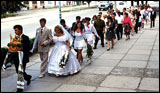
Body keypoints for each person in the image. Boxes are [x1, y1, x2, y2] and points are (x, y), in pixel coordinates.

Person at [7, 25, 32, 92]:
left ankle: (20, 88)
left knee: (20, 72)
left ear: (20, 30)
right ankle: (28, 77)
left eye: (16, 30)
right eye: (14, 30)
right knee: (18, 71)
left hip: (23, 58)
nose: (15, 32)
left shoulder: (25, 37)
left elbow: (28, 47)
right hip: (16, 58)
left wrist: (21, 48)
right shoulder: (14, 38)